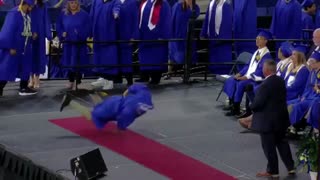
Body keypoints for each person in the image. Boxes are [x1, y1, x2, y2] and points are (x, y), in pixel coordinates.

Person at [250, 59, 295, 178]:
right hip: (281, 119)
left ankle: (273, 171)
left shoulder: (265, 85)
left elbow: (257, 103)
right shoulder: (280, 80)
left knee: (269, 147)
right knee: (282, 143)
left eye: (263, 68)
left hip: (267, 122)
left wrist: (251, 106)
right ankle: (291, 167)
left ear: (266, 70)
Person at [60, 83, 153, 130]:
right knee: (93, 116)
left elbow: (138, 87)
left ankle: (93, 93)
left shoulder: (144, 96)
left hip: (116, 100)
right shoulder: (130, 112)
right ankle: (71, 102)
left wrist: (127, 91)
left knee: (101, 105)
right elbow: (122, 120)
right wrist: (121, 128)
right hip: (112, 109)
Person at [223, 30, 272, 116]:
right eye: (257, 38)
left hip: (255, 78)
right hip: (248, 76)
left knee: (241, 84)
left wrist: (246, 77)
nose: (257, 40)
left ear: (265, 41)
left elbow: (260, 71)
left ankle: (236, 108)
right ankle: (231, 103)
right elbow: (248, 66)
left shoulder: (266, 55)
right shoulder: (257, 52)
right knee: (232, 80)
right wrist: (240, 74)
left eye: (260, 39)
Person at [0, 0, 37, 96]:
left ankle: (23, 87)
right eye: (31, 6)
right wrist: (10, 47)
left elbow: (25, 28)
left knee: (26, 67)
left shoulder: (27, 15)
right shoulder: (14, 13)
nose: (32, 8)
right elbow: (7, 30)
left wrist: (32, 34)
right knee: (7, 68)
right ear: (26, 5)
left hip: (25, 46)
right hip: (14, 46)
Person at [56, 0, 90, 89]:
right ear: (68, 4)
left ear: (78, 4)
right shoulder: (63, 14)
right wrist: (62, 33)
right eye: (71, 3)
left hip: (79, 44)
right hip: (68, 44)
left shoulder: (84, 15)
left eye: (75, 3)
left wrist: (79, 34)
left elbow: (88, 28)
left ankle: (78, 81)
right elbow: (59, 26)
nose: (73, 5)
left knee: (79, 61)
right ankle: (71, 80)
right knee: (69, 62)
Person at [135, 0, 171, 84]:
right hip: (144, 36)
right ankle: (144, 75)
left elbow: (167, 19)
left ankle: (156, 77)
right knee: (144, 58)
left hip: (157, 36)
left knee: (156, 58)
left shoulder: (162, 3)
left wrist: (165, 35)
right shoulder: (143, 2)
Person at [89, 0, 121, 90]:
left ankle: (110, 80)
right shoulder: (96, 1)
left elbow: (117, 9)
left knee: (109, 57)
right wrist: (90, 31)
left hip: (109, 35)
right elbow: (91, 15)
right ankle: (103, 78)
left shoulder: (115, 1)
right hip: (97, 34)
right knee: (99, 57)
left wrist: (116, 14)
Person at [166, 0, 200, 78]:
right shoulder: (177, 6)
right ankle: (169, 72)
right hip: (177, 35)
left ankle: (186, 74)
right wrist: (171, 34)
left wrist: (191, 7)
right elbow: (172, 20)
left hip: (187, 35)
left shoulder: (195, 7)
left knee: (187, 55)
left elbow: (195, 15)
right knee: (172, 55)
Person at [200, 0, 232, 74]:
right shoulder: (211, 4)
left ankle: (224, 72)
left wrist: (223, 38)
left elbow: (228, 22)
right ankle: (214, 72)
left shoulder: (226, 4)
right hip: (212, 37)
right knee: (214, 58)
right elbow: (207, 19)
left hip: (222, 38)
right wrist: (203, 33)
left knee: (223, 58)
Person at [29, 0, 52, 89]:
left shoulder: (43, 5)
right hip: (28, 33)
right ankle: (30, 78)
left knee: (38, 56)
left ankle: (37, 78)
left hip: (40, 34)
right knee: (29, 57)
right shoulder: (27, 5)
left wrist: (48, 34)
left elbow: (46, 19)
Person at [115, 0, 139, 86]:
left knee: (127, 59)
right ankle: (117, 79)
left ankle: (129, 80)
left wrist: (134, 36)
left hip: (127, 36)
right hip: (114, 35)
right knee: (115, 58)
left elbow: (136, 19)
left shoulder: (132, 2)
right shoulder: (114, 2)